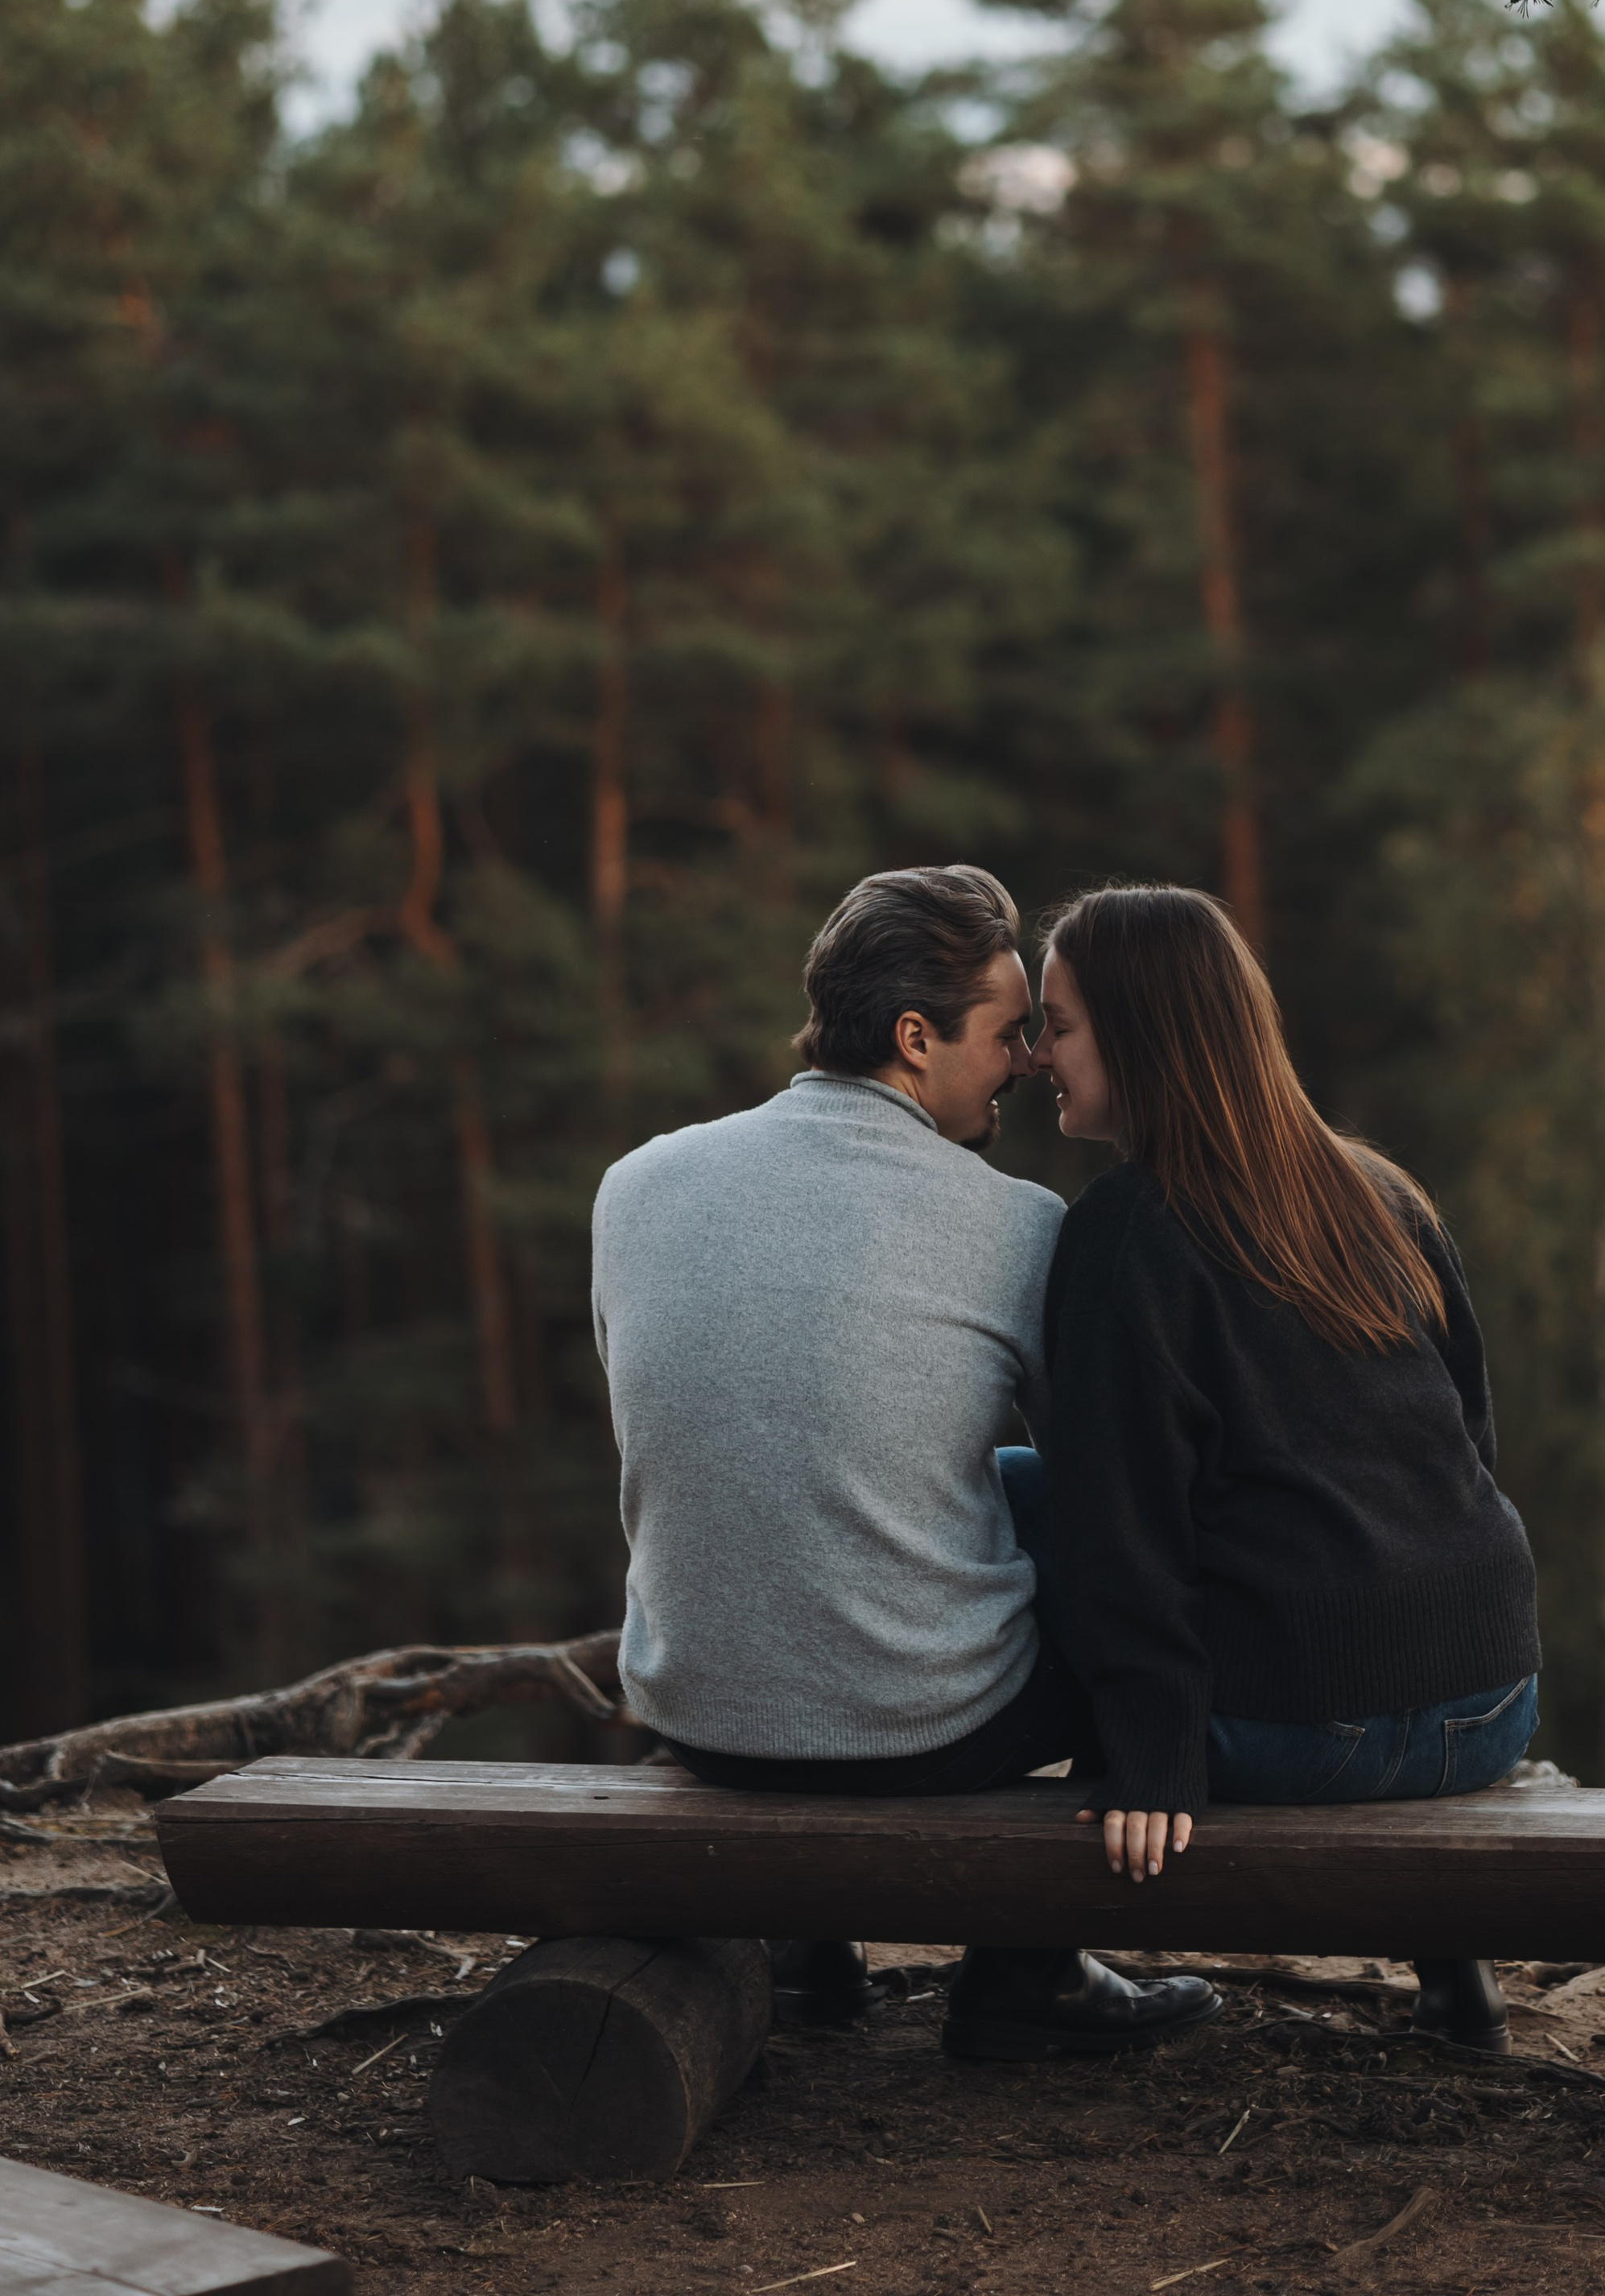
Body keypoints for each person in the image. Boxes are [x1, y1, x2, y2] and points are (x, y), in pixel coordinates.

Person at [591, 861, 1220, 2062]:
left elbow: (709, 1445)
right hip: (920, 1732)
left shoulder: (636, 1185)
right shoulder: (1020, 1225)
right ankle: (1027, 1979)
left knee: (831, 1493)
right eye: (1008, 1033)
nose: (1032, 1062)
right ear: (915, 1037)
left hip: (699, 1714)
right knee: (1096, 1545)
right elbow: (1111, 1498)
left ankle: (805, 1952)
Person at [1029, 882, 1541, 2057]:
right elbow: (1466, 1451)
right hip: (1493, 1702)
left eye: (1057, 1025)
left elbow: (1120, 1526)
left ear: (1141, 1031)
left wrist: (1152, 1761)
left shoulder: (1126, 1233)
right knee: (1314, 1541)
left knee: (1020, 1488)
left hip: (1310, 1735)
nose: (1035, 1057)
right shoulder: (1381, 1192)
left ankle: (1025, 1968)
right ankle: (1451, 1969)